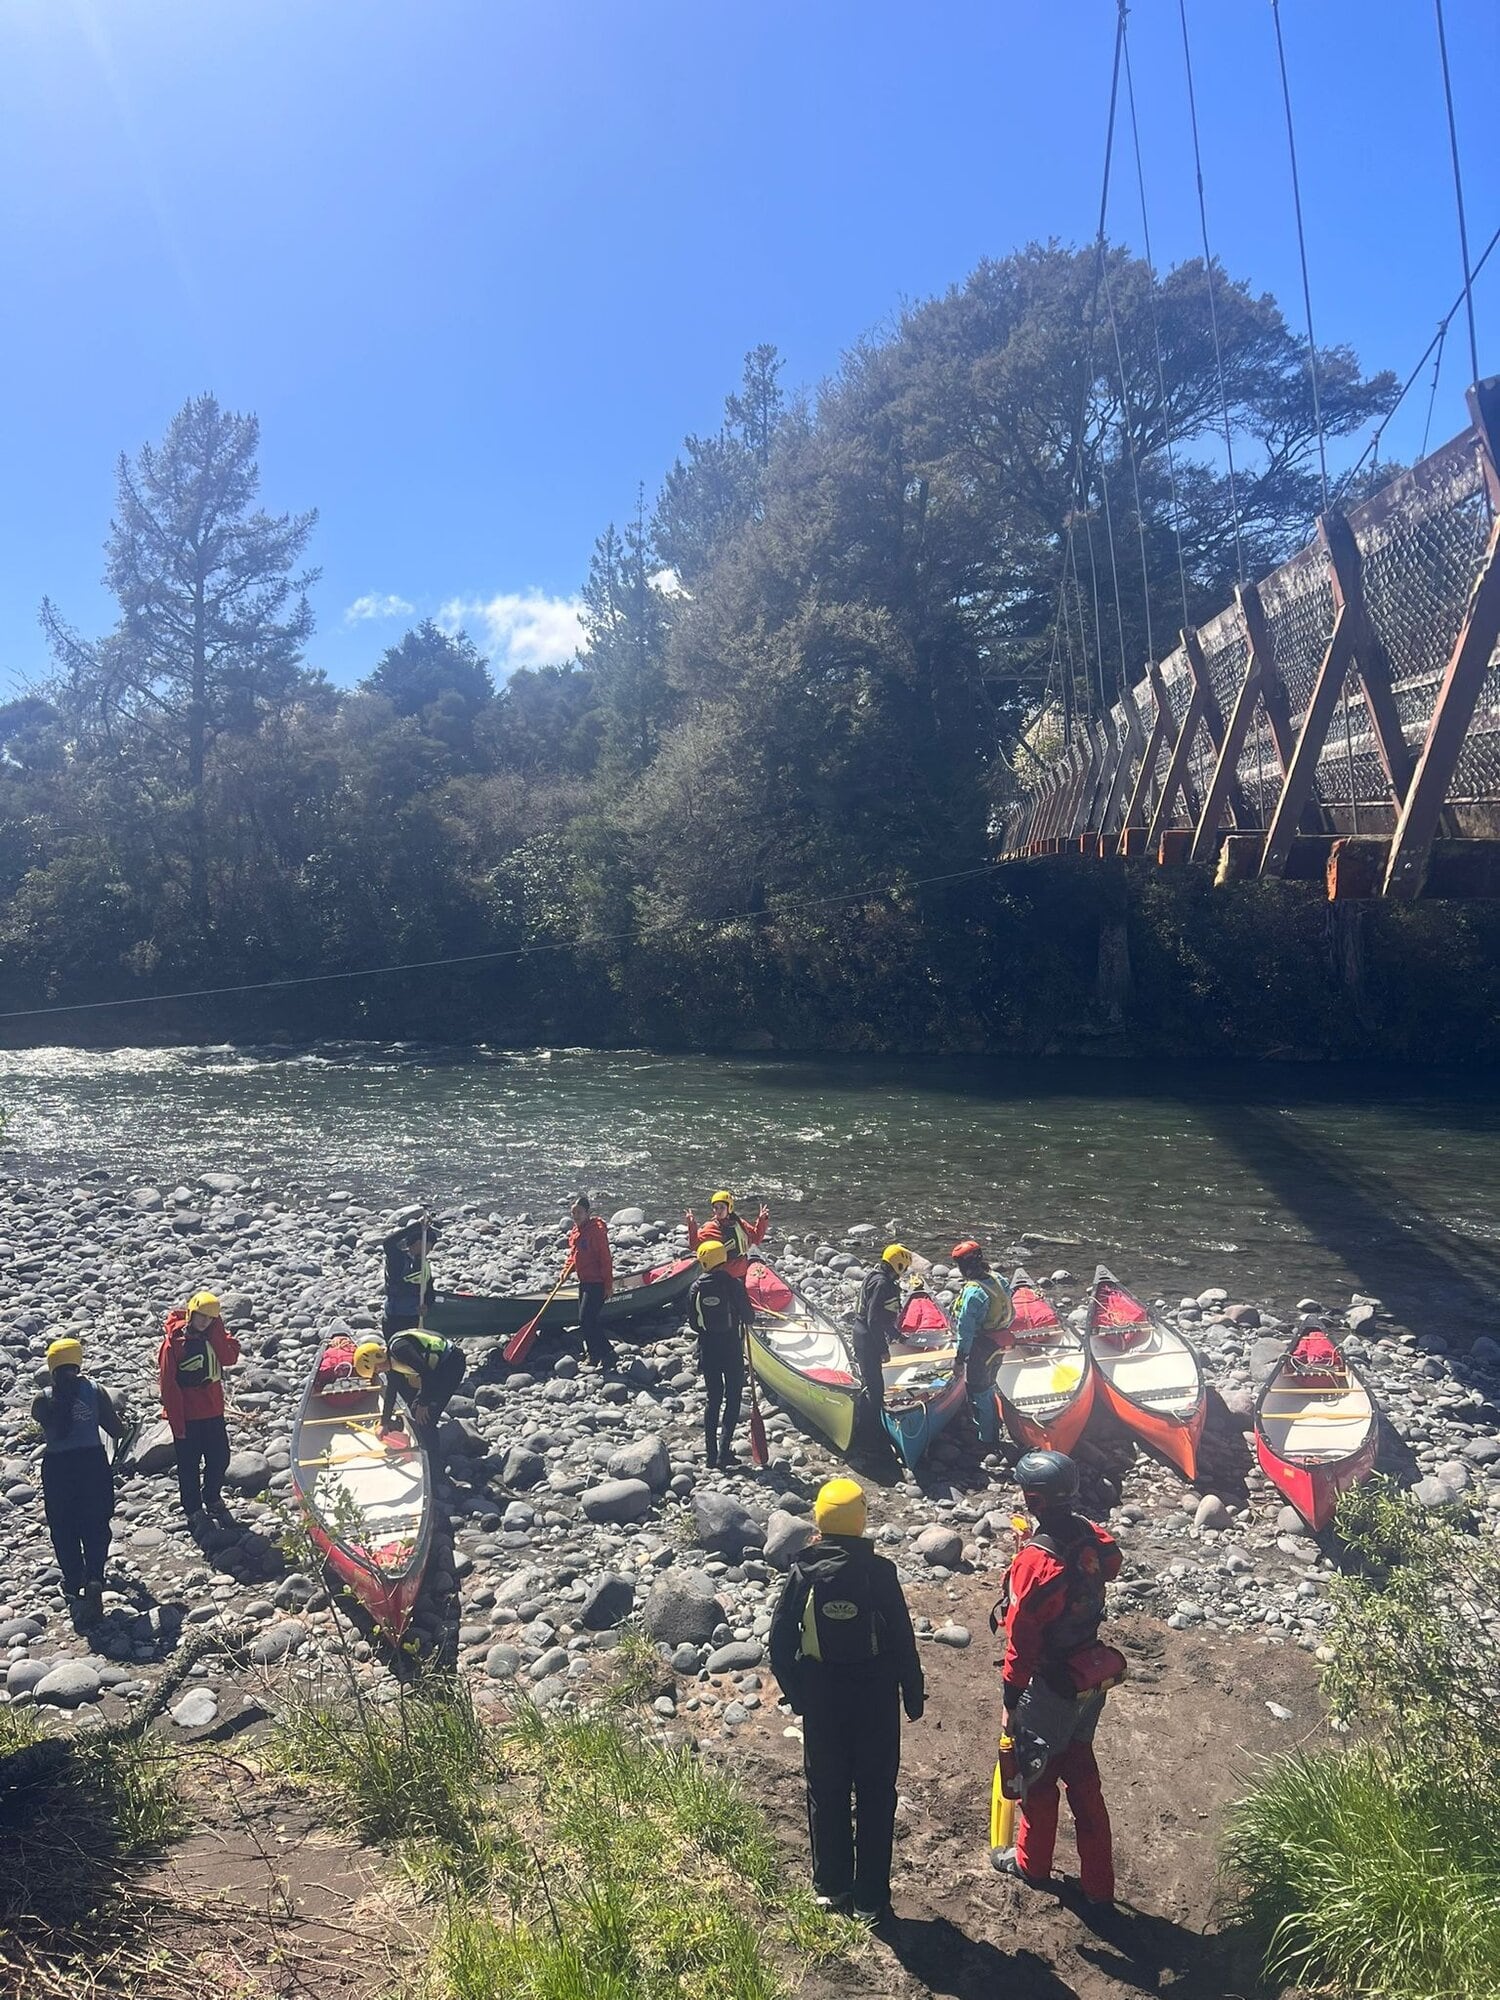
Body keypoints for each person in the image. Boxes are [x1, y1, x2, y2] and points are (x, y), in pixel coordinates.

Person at [769, 1478, 925, 1926]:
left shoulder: (803, 1572)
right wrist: (912, 1695)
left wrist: (798, 1695)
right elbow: (902, 1640)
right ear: (862, 1521)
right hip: (875, 1696)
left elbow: (779, 1640)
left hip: (822, 1694)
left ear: (818, 1518)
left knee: (826, 1788)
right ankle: (870, 1899)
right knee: (876, 1795)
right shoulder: (881, 1573)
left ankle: (830, 1886)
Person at [993, 1449, 1123, 1908]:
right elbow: (1112, 1560)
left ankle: (1032, 1863)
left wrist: (1011, 1699)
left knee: (1037, 1776)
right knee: (1082, 1774)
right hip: (1089, 1676)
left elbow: (1021, 1639)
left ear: (1033, 1499)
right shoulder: (1090, 1536)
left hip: (1048, 1686)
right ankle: (1099, 1885)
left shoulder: (1035, 1563)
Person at [32, 1337, 122, 1621]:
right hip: (92, 1463)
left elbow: (46, 1424)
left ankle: (73, 1582)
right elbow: (116, 1430)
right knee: (96, 1523)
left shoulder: (43, 1399)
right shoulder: (95, 1391)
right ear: (78, 1361)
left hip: (58, 1467)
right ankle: (95, 1574)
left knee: (63, 1527)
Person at [158, 1290, 241, 1530]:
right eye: (201, 1316)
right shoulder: (173, 1343)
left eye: (210, 1318)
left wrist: (216, 1331)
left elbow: (229, 1357)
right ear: (192, 1313)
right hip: (188, 1415)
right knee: (189, 1465)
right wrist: (177, 1422)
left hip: (213, 1411)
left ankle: (212, 1496)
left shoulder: (214, 1336)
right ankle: (193, 1508)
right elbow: (168, 1385)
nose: (205, 1322)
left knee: (220, 1458)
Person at [687, 1239, 753, 1468]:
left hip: (708, 1349)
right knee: (733, 1399)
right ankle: (725, 1450)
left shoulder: (695, 1287)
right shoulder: (734, 1284)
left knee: (713, 1399)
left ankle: (710, 1455)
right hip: (731, 1349)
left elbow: (694, 1324)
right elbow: (749, 1317)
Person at [950, 1240, 1014, 1446]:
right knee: (989, 1384)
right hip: (1000, 1343)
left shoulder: (973, 1292)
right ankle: (993, 1426)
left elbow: (965, 1330)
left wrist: (959, 1359)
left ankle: (987, 1439)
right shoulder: (998, 1278)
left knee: (978, 1388)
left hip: (982, 1346)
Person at [354, 1329, 466, 1444]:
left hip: (452, 1364)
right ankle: (423, 1439)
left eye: (376, 1368)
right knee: (415, 1410)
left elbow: (427, 1374)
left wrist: (424, 1404)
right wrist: (384, 1422)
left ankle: (433, 1457)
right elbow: (391, 1392)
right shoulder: (391, 1363)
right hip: (436, 1370)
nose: (379, 1371)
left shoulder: (400, 1350)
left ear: (378, 1356)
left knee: (426, 1419)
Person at [853, 1244, 910, 1422]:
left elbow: (881, 1319)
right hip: (867, 1338)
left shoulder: (874, 1276)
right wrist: (883, 1349)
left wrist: (897, 1336)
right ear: (899, 1265)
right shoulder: (882, 1284)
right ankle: (870, 1426)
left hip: (861, 1333)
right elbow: (874, 1320)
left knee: (872, 1381)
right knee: (875, 1388)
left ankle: (868, 1418)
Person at [568, 1193, 617, 1371]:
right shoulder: (576, 1231)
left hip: (596, 1282)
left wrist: (609, 1285)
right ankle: (594, 1354)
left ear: (587, 1213)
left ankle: (608, 1353)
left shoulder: (596, 1232)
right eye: (573, 1212)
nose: (575, 1216)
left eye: (579, 1212)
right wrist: (566, 1270)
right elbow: (573, 1256)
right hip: (584, 1281)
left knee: (586, 1319)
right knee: (586, 1320)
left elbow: (606, 1260)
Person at [684, 1190, 770, 1281]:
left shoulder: (739, 1223)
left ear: (729, 1207)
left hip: (741, 1270)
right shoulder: (711, 1227)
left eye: (722, 1207)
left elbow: (756, 1238)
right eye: (716, 1208)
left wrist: (762, 1220)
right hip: (723, 1274)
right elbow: (694, 1245)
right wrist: (691, 1225)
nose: (718, 1211)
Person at [381, 1213, 439, 1336]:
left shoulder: (423, 1263)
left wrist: (427, 1305)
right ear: (418, 1243)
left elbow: (429, 1290)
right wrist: (416, 1226)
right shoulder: (398, 1259)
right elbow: (388, 1243)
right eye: (429, 1246)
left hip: (414, 1318)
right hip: (395, 1318)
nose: (429, 1250)